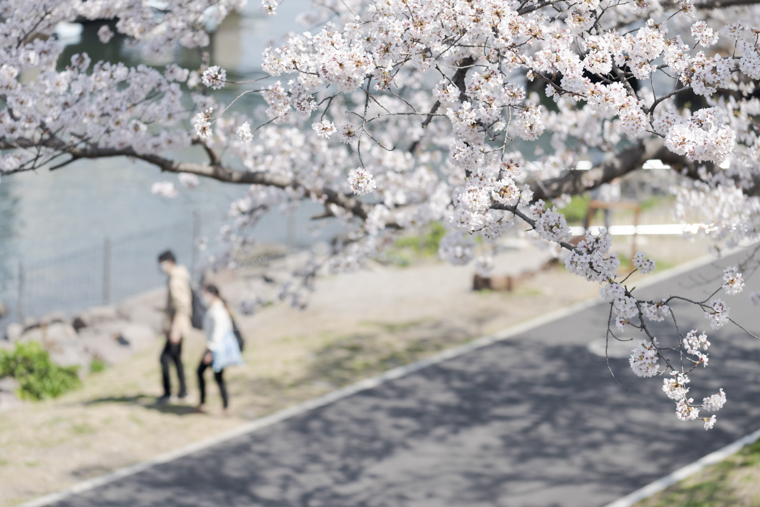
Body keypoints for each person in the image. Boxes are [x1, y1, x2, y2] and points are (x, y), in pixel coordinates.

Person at [156, 250, 192, 404]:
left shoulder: (175, 280)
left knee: (164, 359)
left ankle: (168, 394)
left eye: (162, 264)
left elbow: (181, 306)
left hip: (177, 327)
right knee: (177, 359)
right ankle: (183, 392)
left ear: (169, 262)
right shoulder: (179, 276)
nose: (160, 268)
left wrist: (175, 329)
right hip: (178, 326)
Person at [197, 284, 238, 414]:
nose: (203, 297)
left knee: (206, 374)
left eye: (205, 294)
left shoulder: (218, 310)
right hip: (214, 347)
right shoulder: (215, 308)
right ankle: (222, 406)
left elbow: (219, 332)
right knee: (216, 376)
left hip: (215, 348)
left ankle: (211, 404)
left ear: (212, 294)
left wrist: (210, 350)